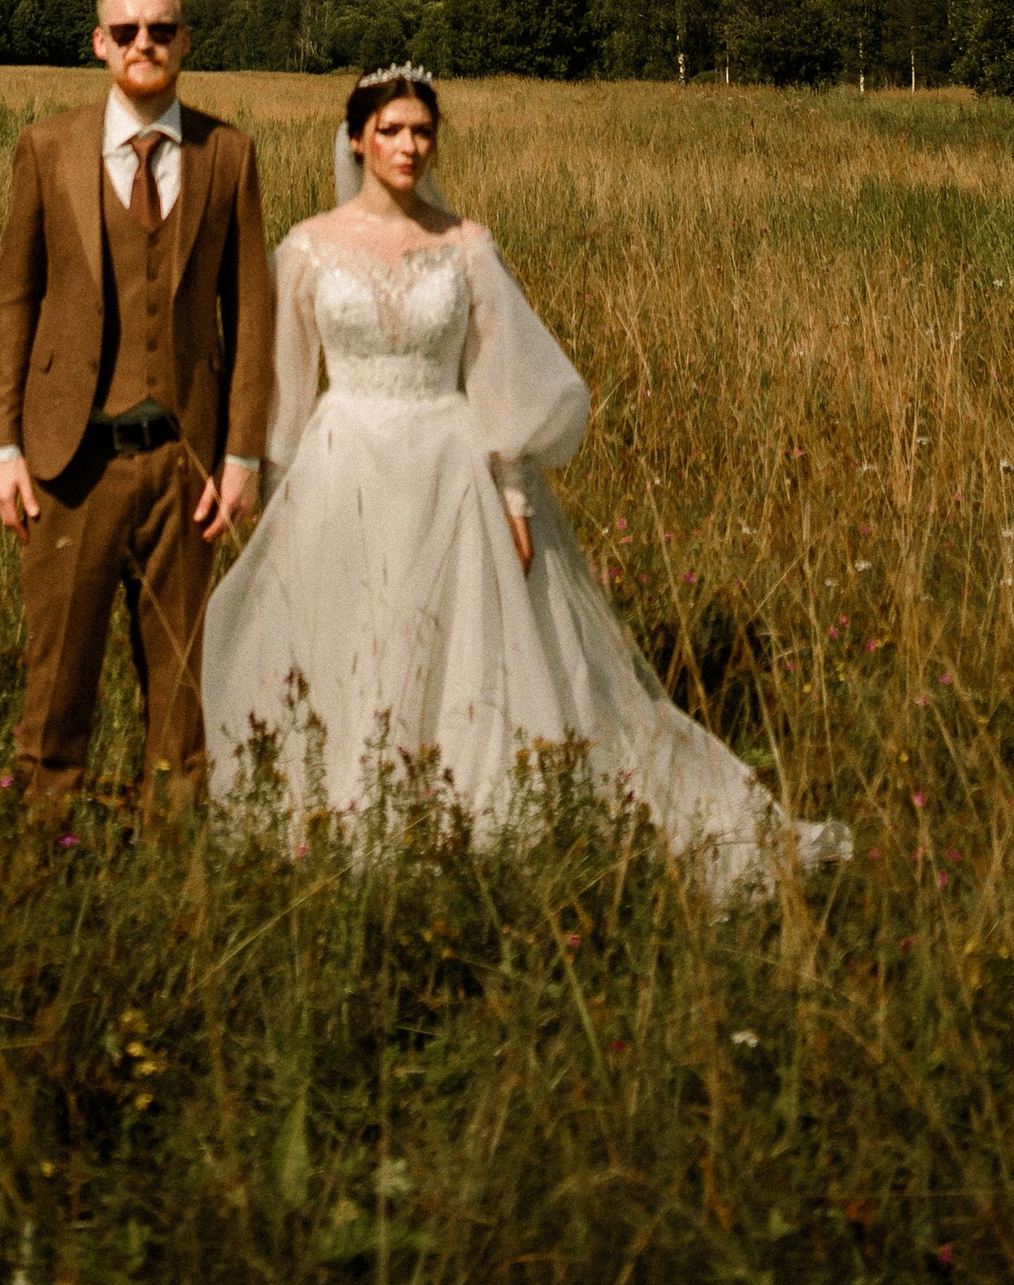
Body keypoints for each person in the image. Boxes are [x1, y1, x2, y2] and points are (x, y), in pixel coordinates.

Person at [202, 62, 849, 892]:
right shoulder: (307, 246)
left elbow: (499, 375)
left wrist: (512, 493)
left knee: (461, 640)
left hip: (449, 461)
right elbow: (283, 382)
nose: (408, 145)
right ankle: (351, 808)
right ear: (357, 137)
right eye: (391, 130)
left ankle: (469, 812)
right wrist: (266, 479)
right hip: (345, 461)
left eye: (422, 130)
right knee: (349, 635)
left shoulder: (466, 244)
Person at [0, 0, 273, 804]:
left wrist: (243, 453)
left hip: (187, 469)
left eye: (161, 28)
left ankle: (174, 890)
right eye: (128, 30)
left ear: (186, 41)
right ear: (100, 43)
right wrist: (3, 445)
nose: (144, 42)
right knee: (56, 691)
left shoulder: (229, 153)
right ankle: (39, 871)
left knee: (182, 701)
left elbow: (250, 313)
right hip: (68, 467)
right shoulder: (47, 147)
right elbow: (15, 300)